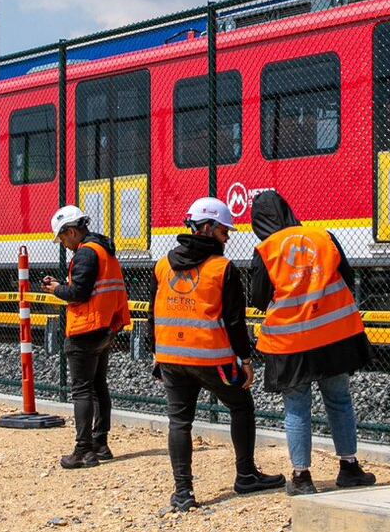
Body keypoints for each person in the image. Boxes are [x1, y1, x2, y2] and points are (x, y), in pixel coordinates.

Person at [152, 197, 284, 512]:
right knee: (241, 406)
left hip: (171, 358)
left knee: (179, 422)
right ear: (209, 228)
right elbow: (236, 322)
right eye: (224, 231)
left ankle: (183, 493)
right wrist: (246, 360)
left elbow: (153, 316)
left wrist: (154, 353)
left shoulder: (163, 264)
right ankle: (246, 474)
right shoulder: (222, 269)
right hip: (211, 359)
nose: (227, 237)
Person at [245, 189, 377, 496]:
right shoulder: (324, 236)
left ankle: (302, 478)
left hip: (291, 342)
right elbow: (344, 274)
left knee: (297, 406)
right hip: (334, 337)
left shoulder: (266, 250)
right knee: (339, 400)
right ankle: (349, 467)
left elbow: (259, 298)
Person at [36, 205, 129, 470]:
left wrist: (56, 289)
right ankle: (100, 444)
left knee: (82, 390)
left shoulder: (86, 253)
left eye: (63, 238)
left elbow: (78, 292)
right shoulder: (103, 250)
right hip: (104, 327)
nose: (63, 244)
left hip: (85, 330)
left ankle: (84, 450)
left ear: (73, 231)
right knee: (98, 386)